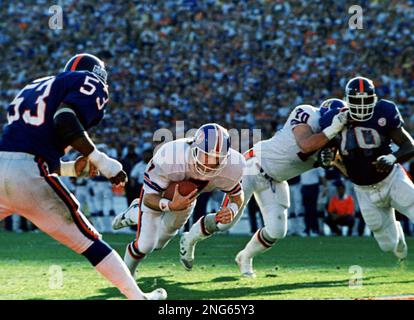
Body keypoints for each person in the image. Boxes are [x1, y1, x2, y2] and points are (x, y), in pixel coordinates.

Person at [0, 53, 166, 300]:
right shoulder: (90, 82)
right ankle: (137, 297)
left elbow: (27, 150)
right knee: (89, 241)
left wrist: (68, 169)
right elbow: (65, 119)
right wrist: (103, 161)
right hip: (29, 174)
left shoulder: (34, 86)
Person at [180, 99, 349, 277]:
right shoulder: (307, 113)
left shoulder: (334, 141)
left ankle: (245, 257)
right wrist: (332, 130)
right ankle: (189, 238)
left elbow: (347, 171)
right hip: (253, 166)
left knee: (277, 230)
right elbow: (305, 144)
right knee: (225, 222)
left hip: (275, 180)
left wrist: (341, 162)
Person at [112, 123, 246, 279]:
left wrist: (232, 210)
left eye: (217, 159)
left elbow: (237, 195)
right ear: (194, 148)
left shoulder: (233, 166)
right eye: (206, 155)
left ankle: (136, 213)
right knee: (146, 245)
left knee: (159, 244)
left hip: (187, 200)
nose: (210, 163)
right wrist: (169, 205)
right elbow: (149, 197)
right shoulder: (171, 156)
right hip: (160, 195)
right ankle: (126, 277)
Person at [320, 76, 414, 260]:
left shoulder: (384, 111)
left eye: (366, 100)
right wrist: (328, 159)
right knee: (387, 245)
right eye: (357, 100)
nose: (362, 105)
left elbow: (409, 145)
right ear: (347, 100)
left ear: (374, 98)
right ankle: (399, 236)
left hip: (391, 178)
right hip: (363, 190)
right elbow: (329, 158)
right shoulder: (334, 119)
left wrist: (392, 157)